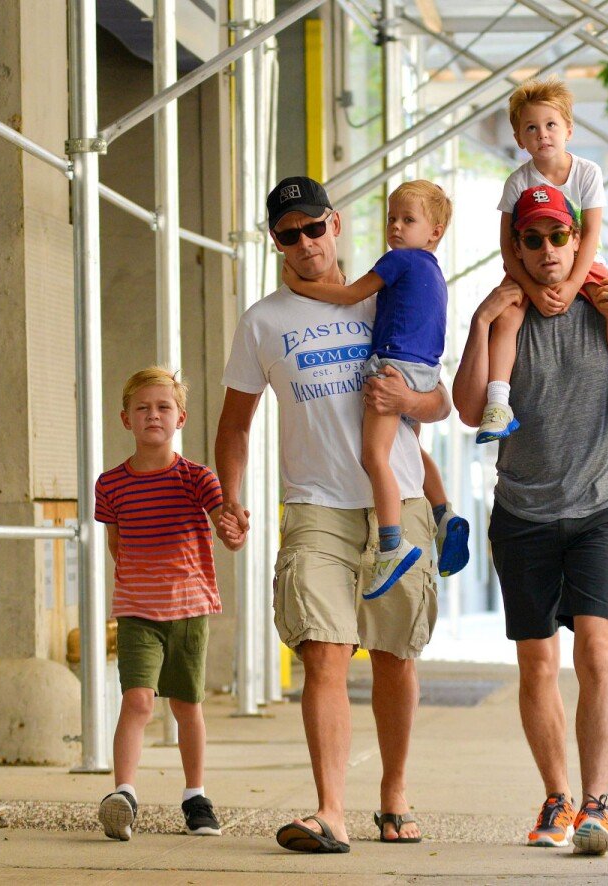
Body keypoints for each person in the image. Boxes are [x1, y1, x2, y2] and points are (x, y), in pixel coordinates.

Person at [217, 176, 450, 852]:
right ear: (275, 243)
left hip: (395, 499)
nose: (304, 242)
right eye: (289, 234)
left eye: (313, 227)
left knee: (393, 656)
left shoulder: (394, 293)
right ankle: (329, 811)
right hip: (314, 506)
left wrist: (408, 402)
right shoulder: (263, 321)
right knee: (322, 653)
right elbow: (235, 423)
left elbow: (441, 403)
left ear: (336, 225)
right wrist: (229, 496)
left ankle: (394, 792)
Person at [453, 187, 608, 855]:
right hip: (523, 512)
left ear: (577, 241)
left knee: (598, 650)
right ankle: (557, 797)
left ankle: (598, 805)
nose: (547, 252)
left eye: (558, 238)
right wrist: (479, 324)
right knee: (537, 664)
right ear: (516, 247)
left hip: (604, 507)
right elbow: (468, 409)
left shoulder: (606, 304)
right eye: (534, 240)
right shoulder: (508, 311)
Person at [282, 179, 468, 595]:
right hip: (424, 368)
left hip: (393, 367)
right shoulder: (434, 272)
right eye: (391, 219)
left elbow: (349, 295)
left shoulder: (400, 261)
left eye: (408, 220)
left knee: (375, 456)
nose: (396, 228)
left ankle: (391, 544)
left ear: (435, 232)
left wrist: (299, 286)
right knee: (410, 449)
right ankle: (443, 513)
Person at [94, 366, 246, 842]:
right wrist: (143, 578)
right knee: (137, 700)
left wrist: (234, 530)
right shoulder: (111, 485)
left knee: (186, 705)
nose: (152, 415)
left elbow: (227, 523)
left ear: (180, 418)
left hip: (187, 609)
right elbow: (117, 542)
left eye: (162, 407)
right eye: (142, 408)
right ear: (125, 419)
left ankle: (195, 796)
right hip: (138, 610)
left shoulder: (197, 479)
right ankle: (123, 794)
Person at [476, 77, 608, 445]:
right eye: (531, 128)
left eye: (551, 125)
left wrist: (572, 286)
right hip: (528, 266)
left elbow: (589, 235)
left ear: (568, 129)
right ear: (519, 139)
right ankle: (497, 401)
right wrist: (531, 290)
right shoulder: (517, 181)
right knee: (507, 317)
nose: (543, 134)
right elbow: (508, 245)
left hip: (583, 263)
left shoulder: (587, 172)